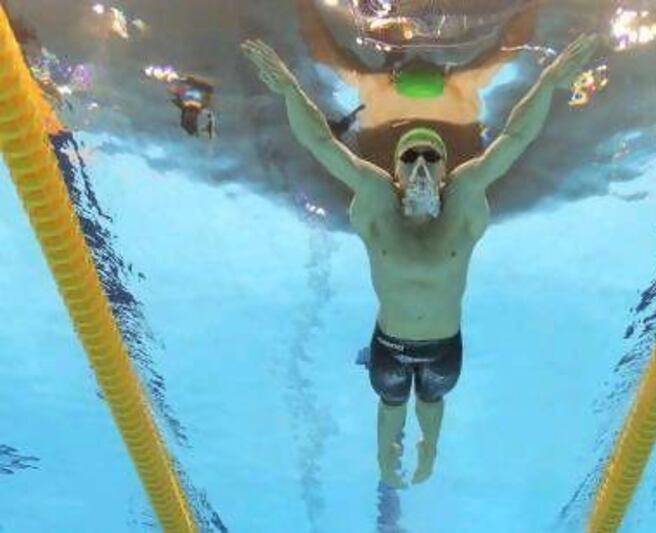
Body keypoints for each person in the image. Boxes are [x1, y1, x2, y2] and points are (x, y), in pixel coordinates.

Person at [242, 34, 599, 489]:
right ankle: (383, 459)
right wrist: (291, 88)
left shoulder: (465, 198)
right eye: (410, 156)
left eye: (433, 156)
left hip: (443, 347)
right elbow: (321, 145)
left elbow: (514, 138)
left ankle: (429, 448)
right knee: (391, 407)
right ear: (395, 170)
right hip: (389, 345)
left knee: (431, 406)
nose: (422, 165)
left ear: (447, 168)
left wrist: (548, 82)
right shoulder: (375, 199)